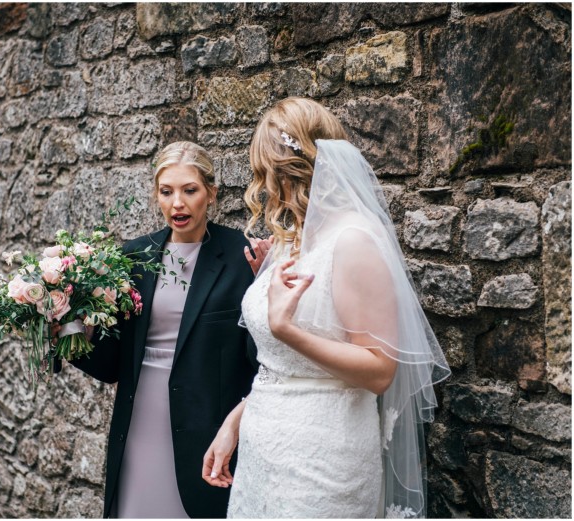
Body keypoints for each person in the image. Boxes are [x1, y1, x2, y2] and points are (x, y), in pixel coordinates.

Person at [202, 98, 451, 518]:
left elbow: (380, 370)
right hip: (266, 450)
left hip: (323, 462)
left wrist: (289, 330)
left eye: (267, 172)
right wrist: (234, 424)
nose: (262, 186)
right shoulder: (290, 239)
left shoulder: (353, 241)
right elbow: (281, 367)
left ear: (291, 169)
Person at [67, 141, 271, 518]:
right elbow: (112, 363)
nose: (178, 202)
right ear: (156, 195)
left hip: (207, 430)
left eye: (189, 190)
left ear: (211, 193)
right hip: (139, 424)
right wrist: (62, 324)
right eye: (167, 191)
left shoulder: (245, 258)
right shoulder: (133, 256)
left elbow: (263, 361)